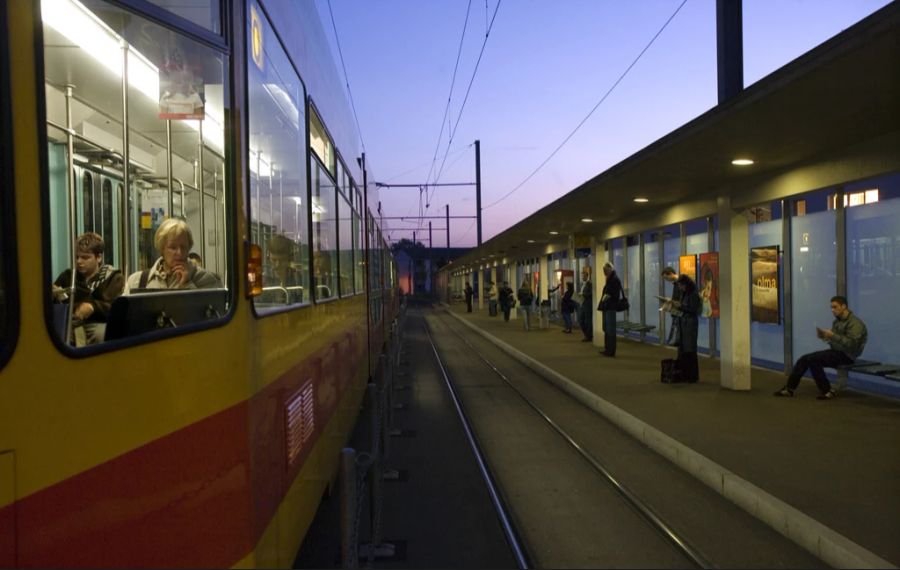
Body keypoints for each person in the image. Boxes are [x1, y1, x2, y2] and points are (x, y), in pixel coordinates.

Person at [774, 296, 867, 400]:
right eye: (831, 307)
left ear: (844, 306)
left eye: (835, 307)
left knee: (811, 359)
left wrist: (832, 336)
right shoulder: (837, 322)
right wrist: (825, 337)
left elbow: (852, 345)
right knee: (808, 359)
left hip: (848, 356)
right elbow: (835, 342)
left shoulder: (855, 324)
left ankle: (792, 389)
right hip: (837, 352)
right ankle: (823, 390)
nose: (832, 310)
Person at [51, 232, 124, 346]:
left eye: (85, 257)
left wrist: (93, 307)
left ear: (98, 257)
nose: (79, 261)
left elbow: (115, 308)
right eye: (77, 257)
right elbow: (56, 304)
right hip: (72, 322)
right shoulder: (68, 276)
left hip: (98, 322)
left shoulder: (113, 278)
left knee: (101, 335)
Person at [124, 218, 222, 292]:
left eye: (183, 247)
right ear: (162, 249)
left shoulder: (207, 280)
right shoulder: (137, 282)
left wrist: (187, 284)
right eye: (173, 247)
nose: (179, 253)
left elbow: (213, 316)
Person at [664, 274, 701, 382]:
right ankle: (685, 374)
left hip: (689, 324)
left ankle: (692, 376)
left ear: (685, 284)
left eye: (681, 286)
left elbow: (693, 309)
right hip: (683, 323)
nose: (680, 288)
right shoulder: (685, 293)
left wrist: (681, 306)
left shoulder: (693, 294)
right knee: (683, 349)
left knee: (690, 350)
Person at [597, 262, 622, 357]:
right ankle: (608, 349)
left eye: (605, 270)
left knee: (610, 329)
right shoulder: (610, 279)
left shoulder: (614, 280)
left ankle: (610, 350)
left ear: (610, 269)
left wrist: (606, 298)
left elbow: (613, 294)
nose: (604, 272)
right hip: (607, 307)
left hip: (610, 307)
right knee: (607, 328)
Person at [661, 266, 683, 345]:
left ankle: (675, 342)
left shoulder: (680, 283)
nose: (667, 280)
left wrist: (672, 301)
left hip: (680, 310)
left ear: (670, 274)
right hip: (676, 309)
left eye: (666, 278)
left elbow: (681, 298)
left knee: (677, 329)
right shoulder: (676, 283)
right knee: (676, 328)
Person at [577, 266, 593, 342]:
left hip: (588, 305)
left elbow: (591, 294)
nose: (582, 277)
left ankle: (589, 336)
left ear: (587, 276)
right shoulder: (582, 284)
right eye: (582, 276)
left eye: (583, 276)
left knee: (588, 321)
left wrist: (583, 294)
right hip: (582, 304)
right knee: (580, 320)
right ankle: (587, 335)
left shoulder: (590, 284)